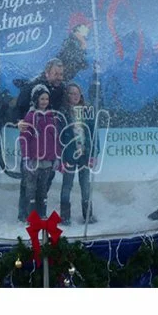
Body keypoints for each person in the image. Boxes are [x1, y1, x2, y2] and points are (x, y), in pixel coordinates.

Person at [14, 58, 65, 221]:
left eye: (61, 74)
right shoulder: (32, 87)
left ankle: (39, 213)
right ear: (47, 73)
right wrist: (19, 122)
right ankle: (24, 215)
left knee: (45, 182)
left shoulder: (61, 89)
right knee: (28, 182)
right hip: (33, 144)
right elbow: (17, 108)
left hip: (48, 146)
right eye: (56, 74)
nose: (59, 77)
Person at [59, 82, 99, 225]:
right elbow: (60, 137)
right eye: (71, 93)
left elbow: (94, 133)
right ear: (67, 95)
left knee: (85, 186)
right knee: (67, 185)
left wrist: (94, 153)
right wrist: (61, 158)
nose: (75, 96)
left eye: (77, 93)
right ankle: (65, 217)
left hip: (85, 155)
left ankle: (88, 215)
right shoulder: (63, 112)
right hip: (70, 155)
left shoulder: (87, 110)